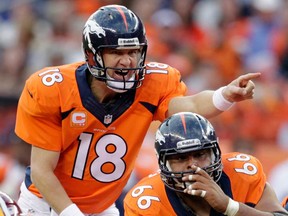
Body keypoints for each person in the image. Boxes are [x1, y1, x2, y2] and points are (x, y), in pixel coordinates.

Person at [14, 4, 260, 216]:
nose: (127, 61)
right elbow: (41, 171)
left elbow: (191, 105)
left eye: (133, 52)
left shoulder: (152, 84)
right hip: (45, 205)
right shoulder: (52, 89)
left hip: (102, 207)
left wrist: (224, 95)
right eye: (116, 52)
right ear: (92, 56)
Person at [124, 112, 288, 216]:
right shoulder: (147, 201)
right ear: (163, 162)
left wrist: (229, 207)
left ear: (215, 152)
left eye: (200, 154)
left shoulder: (242, 173)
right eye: (181, 158)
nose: (193, 164)